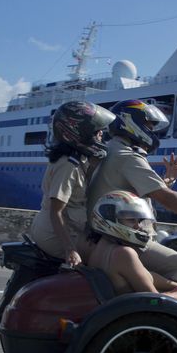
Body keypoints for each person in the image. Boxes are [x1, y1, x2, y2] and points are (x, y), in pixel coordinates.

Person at [86, 99, 177, 282]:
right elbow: (166, 199)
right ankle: (167, 307)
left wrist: (168, 180)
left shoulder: (111, 150)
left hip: (106, 238)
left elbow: (136, 194)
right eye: (148, 125)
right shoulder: (127, 157)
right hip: (121, 240)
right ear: (131, 122)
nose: (151, 131)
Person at [29, 100, 115, 265]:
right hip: (54, 236)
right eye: (97, 131)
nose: (101, 135)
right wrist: (71, 249)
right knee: (111, 257)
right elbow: (57, 212)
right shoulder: (68, 165)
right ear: (80, 133)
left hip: (70, 230)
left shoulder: (80, 160)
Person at [87, 190, 177, 301]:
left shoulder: (98, 250)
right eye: (131, 220)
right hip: (139, 315)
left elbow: (147, 275)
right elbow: (154, 300)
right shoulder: (123, 253)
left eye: (138, 221)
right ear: (110, 219)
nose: (138, 226)